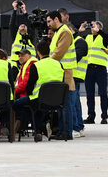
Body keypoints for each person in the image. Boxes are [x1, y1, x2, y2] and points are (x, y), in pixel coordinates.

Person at [25, 40, 65, 142]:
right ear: (49, 51)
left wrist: (29, 94)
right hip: (58, 100)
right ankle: (44, 125)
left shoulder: (36, 66)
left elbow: (29, 86)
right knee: (40, 108)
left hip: (39, 99)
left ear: (38, 52)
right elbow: (62, 82)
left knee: (17, 105)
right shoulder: (59, 64)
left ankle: (39, 129)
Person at [46, 10, 77, 140]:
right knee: (61, 104)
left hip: (65, 72)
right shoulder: (59, 32)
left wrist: (46, 64)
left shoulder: (64, 32)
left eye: (49, 21)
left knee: (66, 104)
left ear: (56, 20)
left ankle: (67, 132)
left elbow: (59, 53)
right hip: (60, 71)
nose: (48, 24)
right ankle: (61, 131)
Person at [79, 20, 108, 124]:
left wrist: (99, 31)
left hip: (100, 69)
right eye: (92, 26)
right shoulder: (87, 37)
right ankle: (91, 116)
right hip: (89, 68)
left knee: (103, 93)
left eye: (94, 26)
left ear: (100, 28)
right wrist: (80, 32)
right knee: (90, 94)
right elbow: (77, 42)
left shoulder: (103, 37)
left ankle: (104, 115)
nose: (92, 28)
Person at [12, 47, 39, 137]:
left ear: (29, 56)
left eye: (23, 55)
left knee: (13, 105)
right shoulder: (25, 66)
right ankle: (23, 125)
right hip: (27, 94)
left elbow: (24, 84)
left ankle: (20, 124)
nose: (20, 57)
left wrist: (13, 91)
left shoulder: (31, 65)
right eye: (19, 56)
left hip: (29, 95)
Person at [72, 25, 89, 138]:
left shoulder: (79, 41)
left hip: (75, 75)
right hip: (73, 75)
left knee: (74, 103)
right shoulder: (76, 40)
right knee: (75, 102)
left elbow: (75, 57)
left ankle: (77, 127)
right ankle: (79, 126)